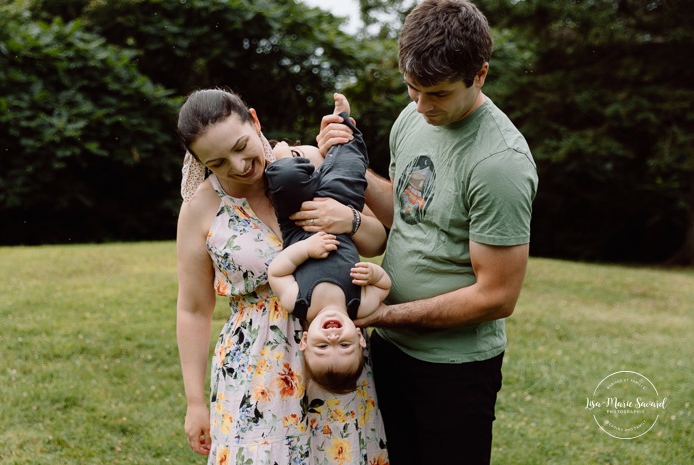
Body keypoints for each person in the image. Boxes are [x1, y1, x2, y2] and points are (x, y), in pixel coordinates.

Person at [316, 1, 539, 464]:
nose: (421, 105)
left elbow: (497, 296)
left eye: (436, 94)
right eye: (412, 89)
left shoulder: (500, 164)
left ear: (479, 74)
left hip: (453, 370)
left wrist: (383, 316)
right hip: (390, 351)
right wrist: (346, 154)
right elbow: (407, 212)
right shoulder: (412, 118)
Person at [175, 88, 389, 465]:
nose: (239, 166)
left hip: (333, 352)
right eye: (219, 162)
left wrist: (349, 219)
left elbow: (375, 240)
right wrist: (195, 402)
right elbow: (193, 309)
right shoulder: (200, 209)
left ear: (255, 121)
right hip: (255, 368)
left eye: (242, 146)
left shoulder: (306, 162)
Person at [266, 94, 392, 394]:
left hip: (297, 221)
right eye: (345, 344)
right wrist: (374, 277)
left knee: (285, 176)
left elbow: (277, 273)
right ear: (360, 337)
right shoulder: (360, 306)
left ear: (306, 341)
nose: (333, 338)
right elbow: (385, 285)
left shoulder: (299, 303)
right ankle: (342, 119)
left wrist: (305, 250)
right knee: (350, 160)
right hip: (342, 202)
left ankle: (285, 156)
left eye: (322, 346)